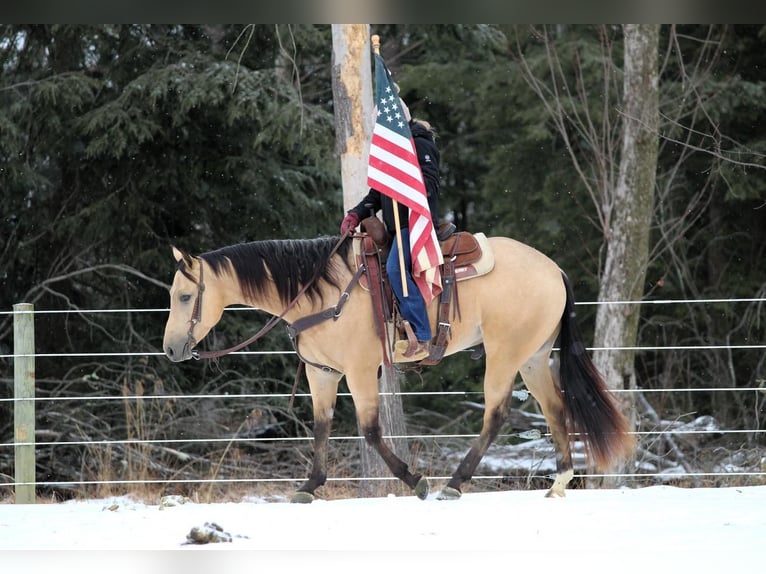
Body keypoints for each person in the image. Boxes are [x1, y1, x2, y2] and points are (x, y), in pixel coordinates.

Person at [340, 104, 440, 362]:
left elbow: (430, 185)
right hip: (396, 229)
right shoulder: (388, 152)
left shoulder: (419, 145)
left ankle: (422, 334)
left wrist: (404, 181)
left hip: (416, 225)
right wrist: (356, 214)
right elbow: (376, 195)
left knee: (395, 269)